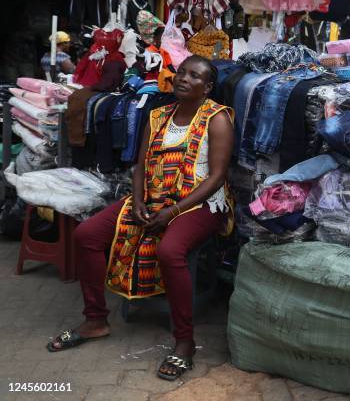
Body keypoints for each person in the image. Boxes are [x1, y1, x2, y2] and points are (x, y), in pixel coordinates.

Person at [47, 55, 234, 381]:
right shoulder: (157, 116)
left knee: (169, 251)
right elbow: (140, 166)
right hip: (153, 197)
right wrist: (136, 201)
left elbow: (216, 178)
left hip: (200, 204)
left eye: (194, 76)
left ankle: (185, 341)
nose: (184, 78)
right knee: (87, 235)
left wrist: (171, 212)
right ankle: (95, 320)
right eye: (181, 72)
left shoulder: (217, 119)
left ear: (207, 87)